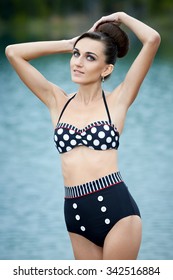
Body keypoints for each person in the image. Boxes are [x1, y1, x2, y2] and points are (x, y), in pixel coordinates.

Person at [5, 12, 161, 260]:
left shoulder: (118, 101)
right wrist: (70, 43)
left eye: (90, 57)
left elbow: (152, 39)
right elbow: (13, 52)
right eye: (77, 54)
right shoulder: (57, 102)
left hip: (117, 209)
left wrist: (121, 16)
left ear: (106, 68)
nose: (78, 62)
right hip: (75, 212)